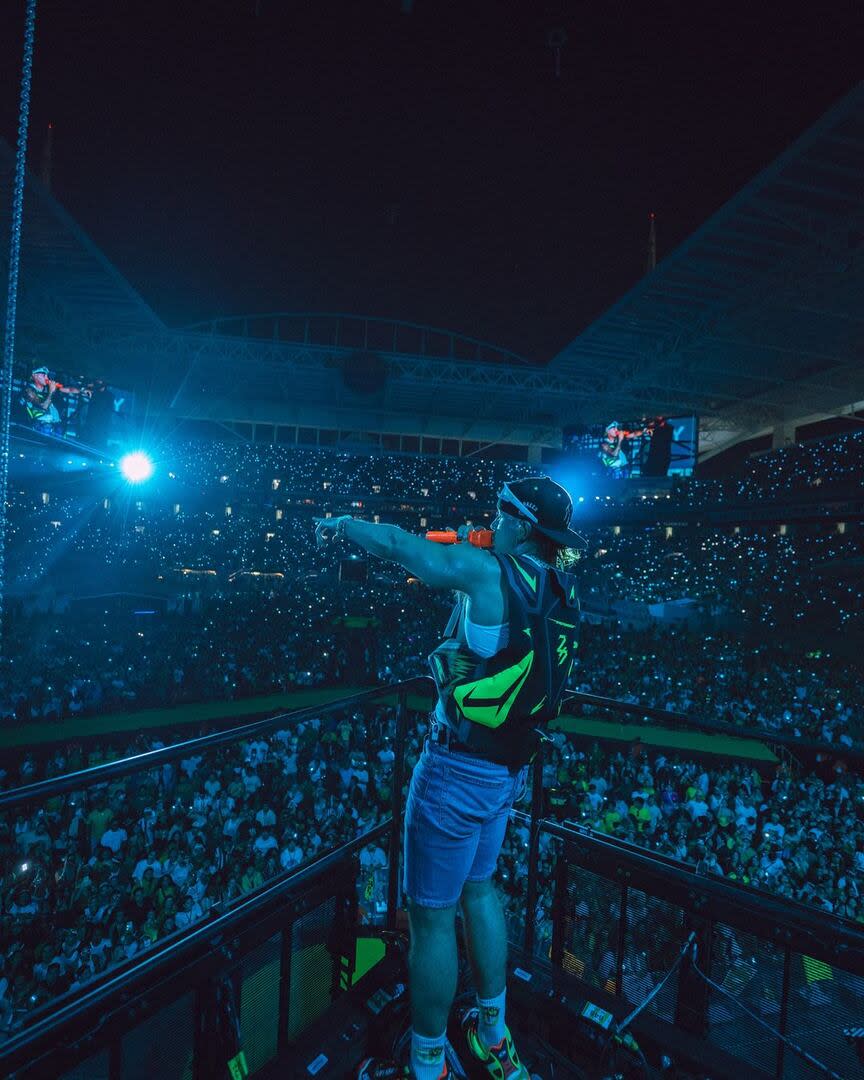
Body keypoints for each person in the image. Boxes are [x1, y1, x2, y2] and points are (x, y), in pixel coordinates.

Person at [316, 476, 583, 1080]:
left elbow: (403, 548)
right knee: (481, 891)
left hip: (455, 771)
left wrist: (344, 526)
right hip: (505, 774)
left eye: (498, 513)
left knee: (431, 918)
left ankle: (427, 1066)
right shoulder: (558, 586)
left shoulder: (488, 572)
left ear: (517, 521)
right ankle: (493, 1035)